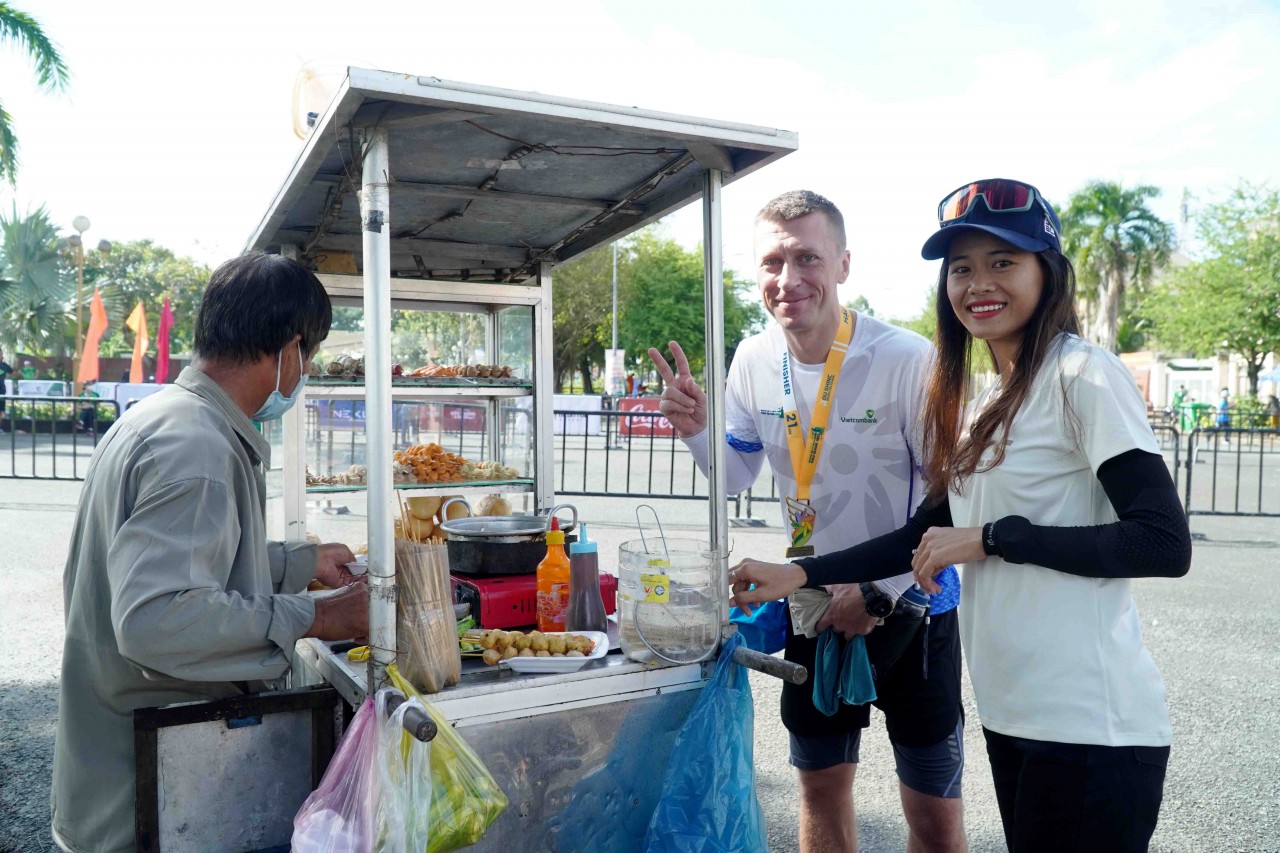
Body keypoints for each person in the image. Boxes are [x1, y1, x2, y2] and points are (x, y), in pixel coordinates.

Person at [729, 179, 1192, 852]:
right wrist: (796, 573)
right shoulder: (991, 400)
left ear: (1047, 271)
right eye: (962, 267)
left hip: (1093, 724)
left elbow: (1161, 541)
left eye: (1003, 261)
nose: (979, 282)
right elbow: (921, 535)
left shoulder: (1082, 375)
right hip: (1016, 714)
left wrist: (995, 536)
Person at [648, 190, 965, 853]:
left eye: (807, 258)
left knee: (933, 812)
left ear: (843, 264)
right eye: (772, 260)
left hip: (915, 604)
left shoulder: (907, 359)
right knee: (820, 791)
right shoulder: (753, 359)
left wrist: (878, 592)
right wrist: (697, 431)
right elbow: (733, 477)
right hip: (815, 601)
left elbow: (950, 499)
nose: (788, 280)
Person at [51, 252, 370, 853]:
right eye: (311, 356)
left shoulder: (164, 419)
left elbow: (198, 556)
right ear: (290, 348)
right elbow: (158, 618)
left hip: (118, 776)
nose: (305, 372)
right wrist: (319, 617)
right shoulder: (195, 449)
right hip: (146, 799)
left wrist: (300, 564)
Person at [0, 348, 14, 431]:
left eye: (0, 354)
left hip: (1, 391)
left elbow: (13, 373)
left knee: (0, 411)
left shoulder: (5, 366)